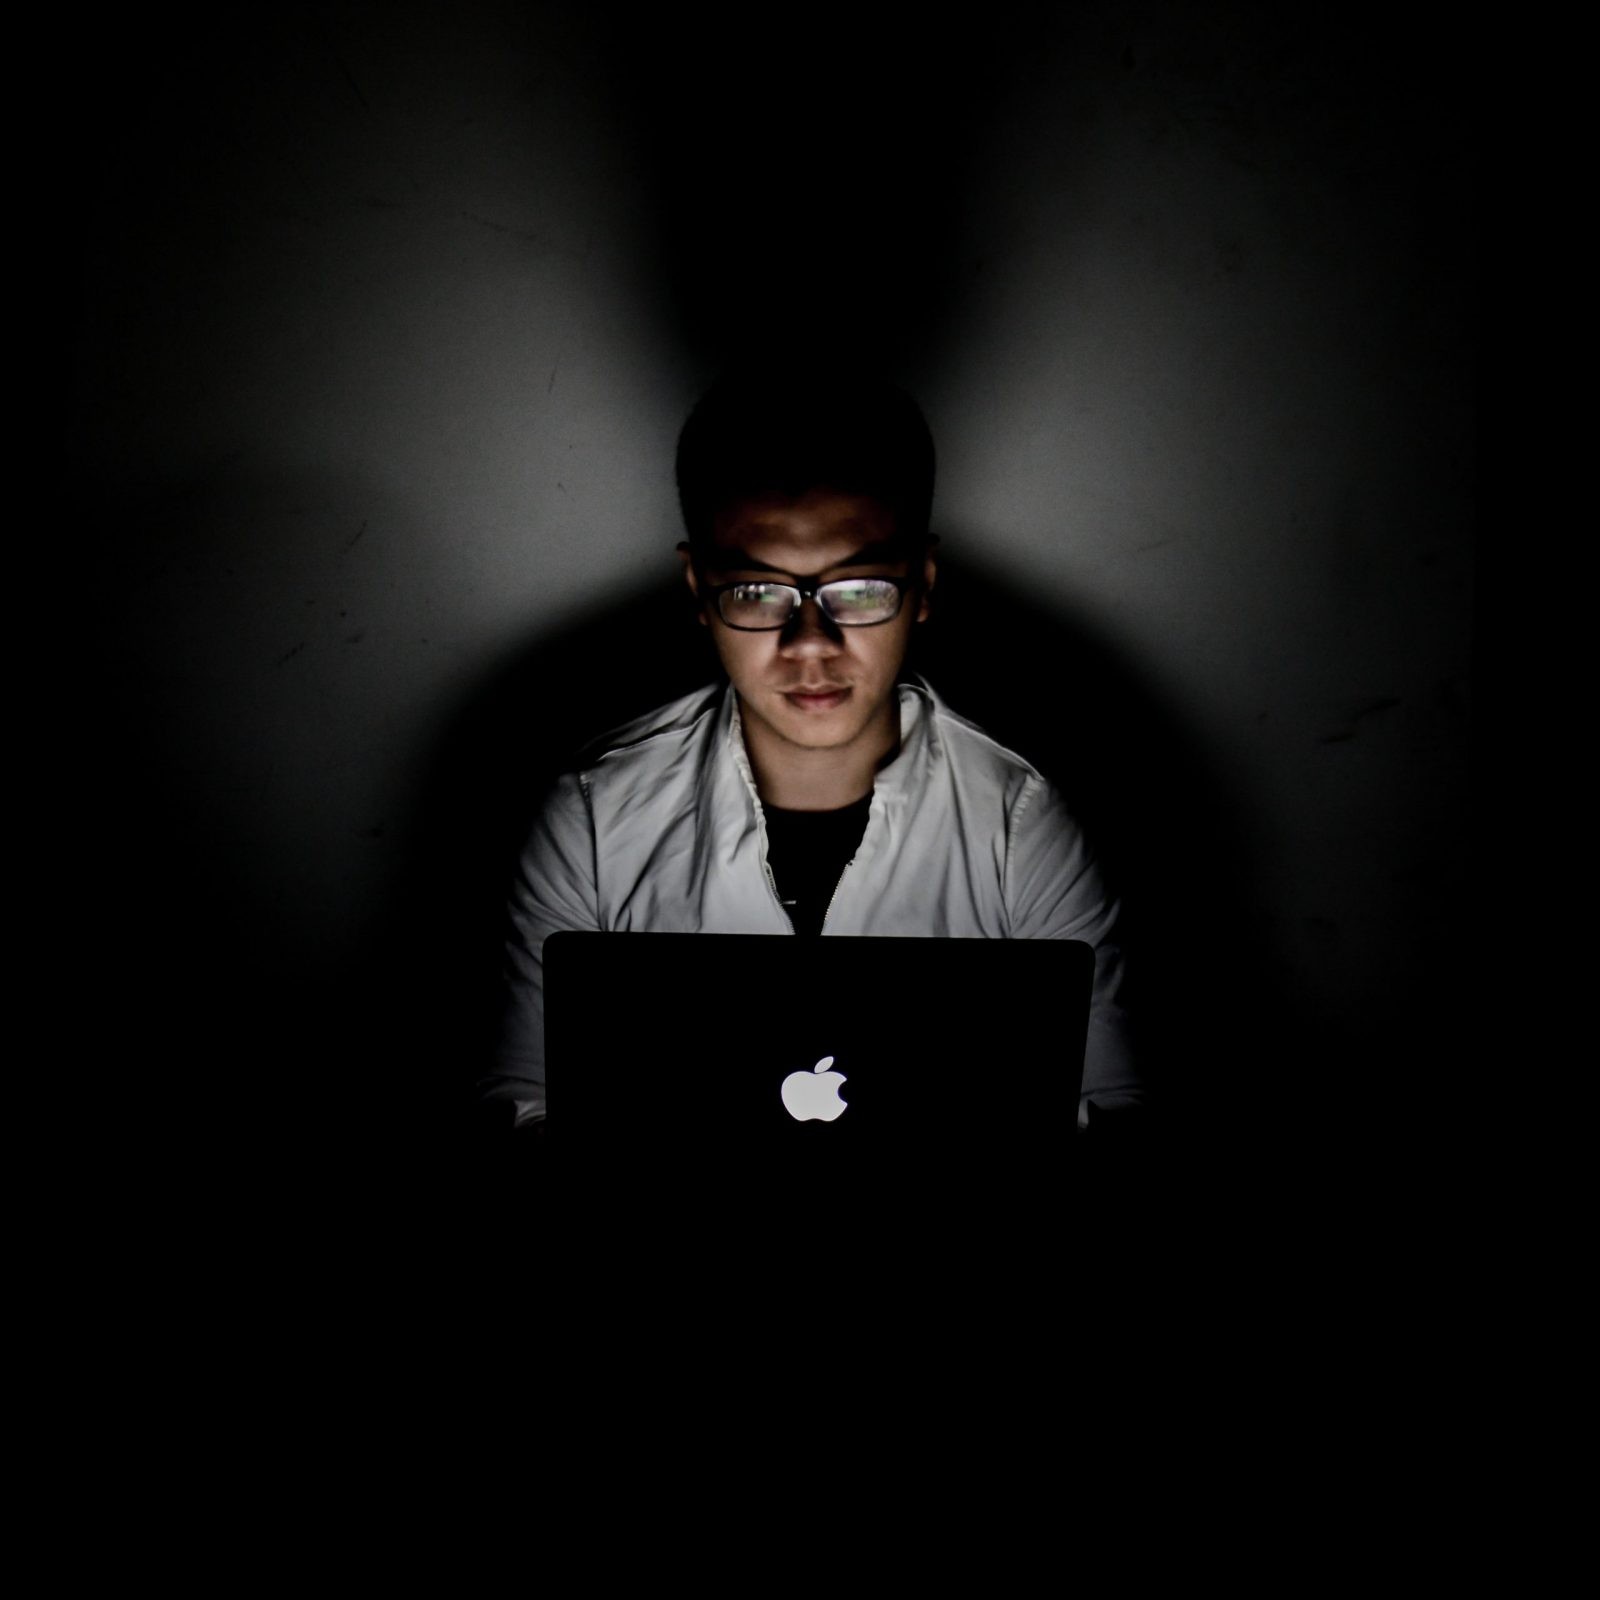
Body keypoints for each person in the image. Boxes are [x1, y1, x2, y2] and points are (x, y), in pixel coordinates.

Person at [482, 370, 1143, 1130]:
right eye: (759, 592)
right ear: (700, 590)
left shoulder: (1020, 825)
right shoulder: (594, 817)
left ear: (921, 585)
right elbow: (525, 1105)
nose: (810, 646)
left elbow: (1109, 1111)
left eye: (858, 588)